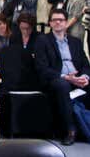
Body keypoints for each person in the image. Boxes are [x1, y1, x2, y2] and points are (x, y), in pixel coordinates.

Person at [34, 9, 90, 145]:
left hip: (77, 79)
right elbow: (42, 68)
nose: (58, 22)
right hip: (56, 80)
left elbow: (85, 64)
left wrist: (84, 77)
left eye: (61, 20)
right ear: (50, 23)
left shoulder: (75, 41)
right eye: (55, 20)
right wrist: (66, 77)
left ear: (66, 23)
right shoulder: (43, 41)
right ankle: (70, 131)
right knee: (62, 85)